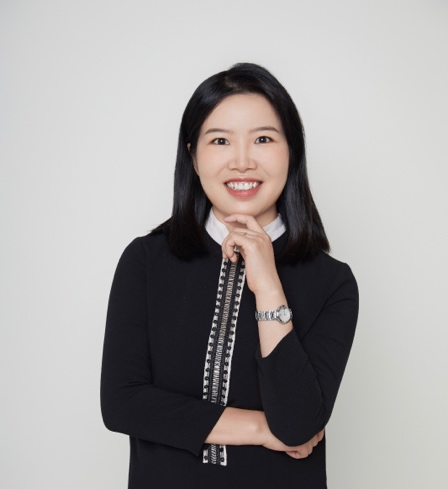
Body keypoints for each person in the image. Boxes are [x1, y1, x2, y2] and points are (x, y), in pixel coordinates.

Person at [100, 62, 359, 488]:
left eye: (263, 139)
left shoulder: (333, 283)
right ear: (193, 155)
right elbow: (123, 403)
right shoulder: (146, 261)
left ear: (291, 151)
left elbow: (297, 424)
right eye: (220, 140)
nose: (242, 162)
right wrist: (259, 428)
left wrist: (268, 286)